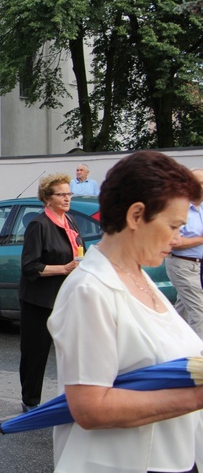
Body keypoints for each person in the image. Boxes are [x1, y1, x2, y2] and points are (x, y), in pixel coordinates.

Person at [48, 151, 203, 472]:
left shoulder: (138, 274)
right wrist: (196, 398)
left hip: (171, 458)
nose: (177, 239)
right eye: (174, 225)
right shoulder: (90, 290)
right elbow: (91, 408)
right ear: (136, 215)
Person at [18, 174, 83, 412]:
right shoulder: (39, 225)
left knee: (71, 351)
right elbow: (29, 267)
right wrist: (64, 268)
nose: (67, 198)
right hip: (39, 300)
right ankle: (30, 402)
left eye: (69, 194)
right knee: (36, 354)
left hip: (66, 297)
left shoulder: (70, 221)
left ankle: (71, 399)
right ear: (47, 198)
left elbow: (77, 251)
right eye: (61, 194)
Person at [164, 168, 203, 339]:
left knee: (183, 311)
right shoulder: (180, 209)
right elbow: (174, 242)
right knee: (199, 312)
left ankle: (169, 344)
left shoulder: (200, 208)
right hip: (183, 265)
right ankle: (199, 360)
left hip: (199, 267)